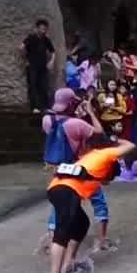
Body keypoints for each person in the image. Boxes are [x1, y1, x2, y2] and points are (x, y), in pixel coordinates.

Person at [44, 135, 137, 273]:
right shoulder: (105, 154)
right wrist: (113, 138)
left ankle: (69, 261)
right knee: (63, 232)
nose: (109, 180)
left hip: (59, 189)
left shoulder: (90, 158)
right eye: (111, 176)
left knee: (81, 223)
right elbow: (131, 145)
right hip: (66, 191)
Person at [41, 88, 115, 252]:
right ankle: (102, 240)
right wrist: (90, 112)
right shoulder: (78, 124)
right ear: (71, 104)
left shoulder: (46, 120)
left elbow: (63, 130)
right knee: (98, 201)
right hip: (78, 170)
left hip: (57, 170)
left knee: (58, 205)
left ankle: (52, 240)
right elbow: (99, 133)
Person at [21, 18, 56, 113]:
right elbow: (22, 47)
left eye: (45, 29)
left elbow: (53, 52)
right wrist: (26, 60)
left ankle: (45, 107)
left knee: (44, 86)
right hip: (32, 66)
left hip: (43, 66)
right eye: (42, 29)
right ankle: (34, 107)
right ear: (37, 28)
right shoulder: (31, 38)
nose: (44, 31)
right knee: (33, 86)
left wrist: (51, 62)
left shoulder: (46, 40)